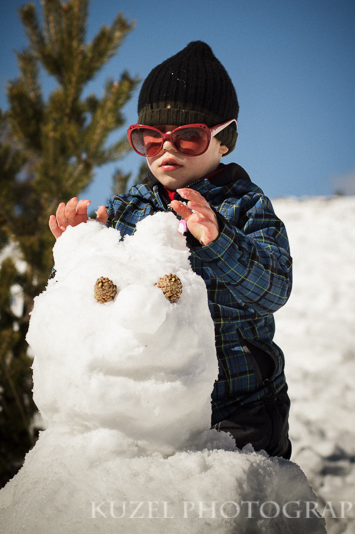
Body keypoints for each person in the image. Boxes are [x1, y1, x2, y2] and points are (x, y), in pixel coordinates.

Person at [49, 41, 293, 458]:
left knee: (225, 514)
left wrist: (220, 239)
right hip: (153, 404)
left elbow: (274, 288)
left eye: (189, 138)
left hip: (237, 407)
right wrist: (79, 250)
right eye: (150, 138)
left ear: (224, 140)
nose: (166, 149)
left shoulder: (246, 206)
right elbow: (94, 304)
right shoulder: (127, 210)